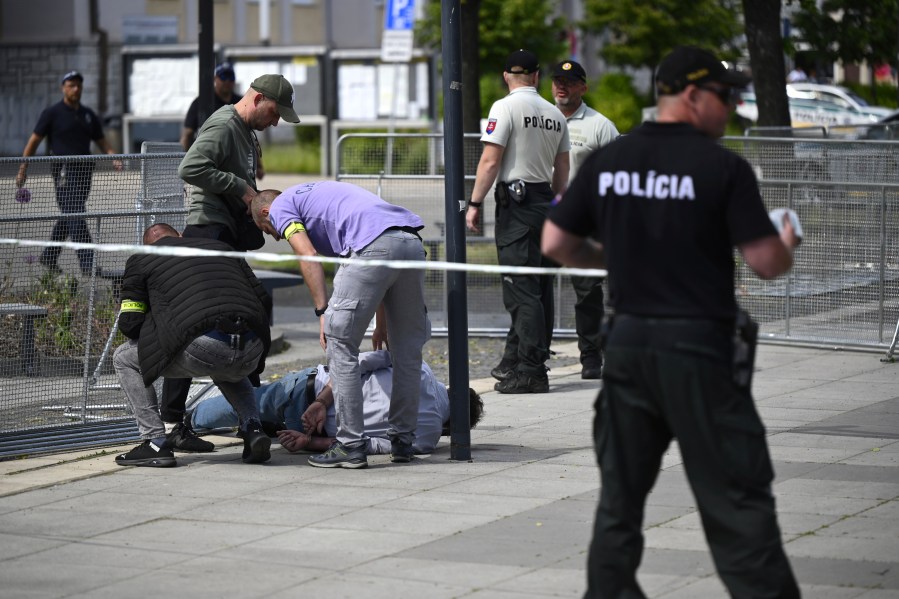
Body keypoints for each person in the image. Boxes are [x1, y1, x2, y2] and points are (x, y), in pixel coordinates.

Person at [542, 46, 801, 598]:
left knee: (620, 501)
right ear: (692, 95)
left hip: (630, 348)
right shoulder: (722, 167)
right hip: (700, 351)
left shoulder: (611, 161)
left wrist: (612, 259)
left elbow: (556, 242)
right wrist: (788, 241)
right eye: (726, 97)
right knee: (735, 500)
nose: (731, 108)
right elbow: (765, 263)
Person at [250, 181, 430, 469]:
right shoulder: (316, 200)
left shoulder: (282, 207)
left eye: (266, 229)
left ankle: (350, 446)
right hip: (409, 242)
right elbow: (381, 271)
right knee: (407, 352)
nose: (274, 237)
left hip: (373, 246)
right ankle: (403, 442)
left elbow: (307, 255)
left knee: (340, 341)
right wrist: (381, 325)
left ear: (267, 211)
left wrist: (323, 311)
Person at [162, 73, 298, 448]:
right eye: (274, 113)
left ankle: (245, 420)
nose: (275, 122)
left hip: (224, 234)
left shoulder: (244, 131)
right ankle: (186, 424)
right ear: (257, 99)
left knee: (233, 314)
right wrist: (242, 189)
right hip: (208, 233)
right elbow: (189, 168)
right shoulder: (225, 123)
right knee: (207, 320)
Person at [112, 223, 274, 468]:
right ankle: (252, 429)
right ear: (179, 235)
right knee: (227, 363)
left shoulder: (142, 259)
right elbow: (263, 299)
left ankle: (155, 442)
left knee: (123, 358)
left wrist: (159, 322)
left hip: (206, 347)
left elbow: (129, 323)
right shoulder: (220, 248)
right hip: (252, 345)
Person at [466, 49, 570, 394]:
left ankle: (531, 370)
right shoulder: (555, 114)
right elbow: (563, 171)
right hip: (546, 204)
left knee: (520, 289)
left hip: (517, 207)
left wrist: (474, 202)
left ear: (506, 75)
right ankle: (516, 360)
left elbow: (490, 162)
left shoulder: (505, 107)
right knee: (538, 288)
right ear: (537, 76)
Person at [190, 350, 484, 456]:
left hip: (309, 390)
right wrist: (308, 442)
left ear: (450, 387)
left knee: (244, 405)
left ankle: (185, 422)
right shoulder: (427, 439)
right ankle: (259, 431)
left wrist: (320, 401)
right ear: (450, 428)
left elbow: (355, 364)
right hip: (311, 432)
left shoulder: (418, 368)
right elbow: (368, 445)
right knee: (257, 422)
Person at [551, 60, 619, 380]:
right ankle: (532, 358)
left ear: (583, 87)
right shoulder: (542, 119)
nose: (561, 86)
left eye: (569, 81)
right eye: (557, 81)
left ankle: (591, 356)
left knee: (588, 292)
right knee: (534, 290)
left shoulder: (600, 126)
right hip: (545, 217)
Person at [15, 70, 120, 277]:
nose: (76, 89)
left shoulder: (88, 115)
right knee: (76, 213)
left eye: (78, 85)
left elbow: (101, 141)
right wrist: (22, 169)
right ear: (63, 87)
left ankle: (49, 256)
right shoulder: (52, 113)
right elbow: (34, 140)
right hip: (63, 170)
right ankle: (88, 263)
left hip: (84, 170)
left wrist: (113, 156)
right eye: (71, 85)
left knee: (70, 213)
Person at [180, 62, 265, 180]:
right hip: (210, 157)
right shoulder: (201, 102)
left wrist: (259, 166)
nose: (227, 81)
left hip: (235, 161)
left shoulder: (240, 102)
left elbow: (250, 137)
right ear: (215, 78)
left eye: (231, 77)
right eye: (223, 76)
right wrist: (184, 161)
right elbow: (187, 134)